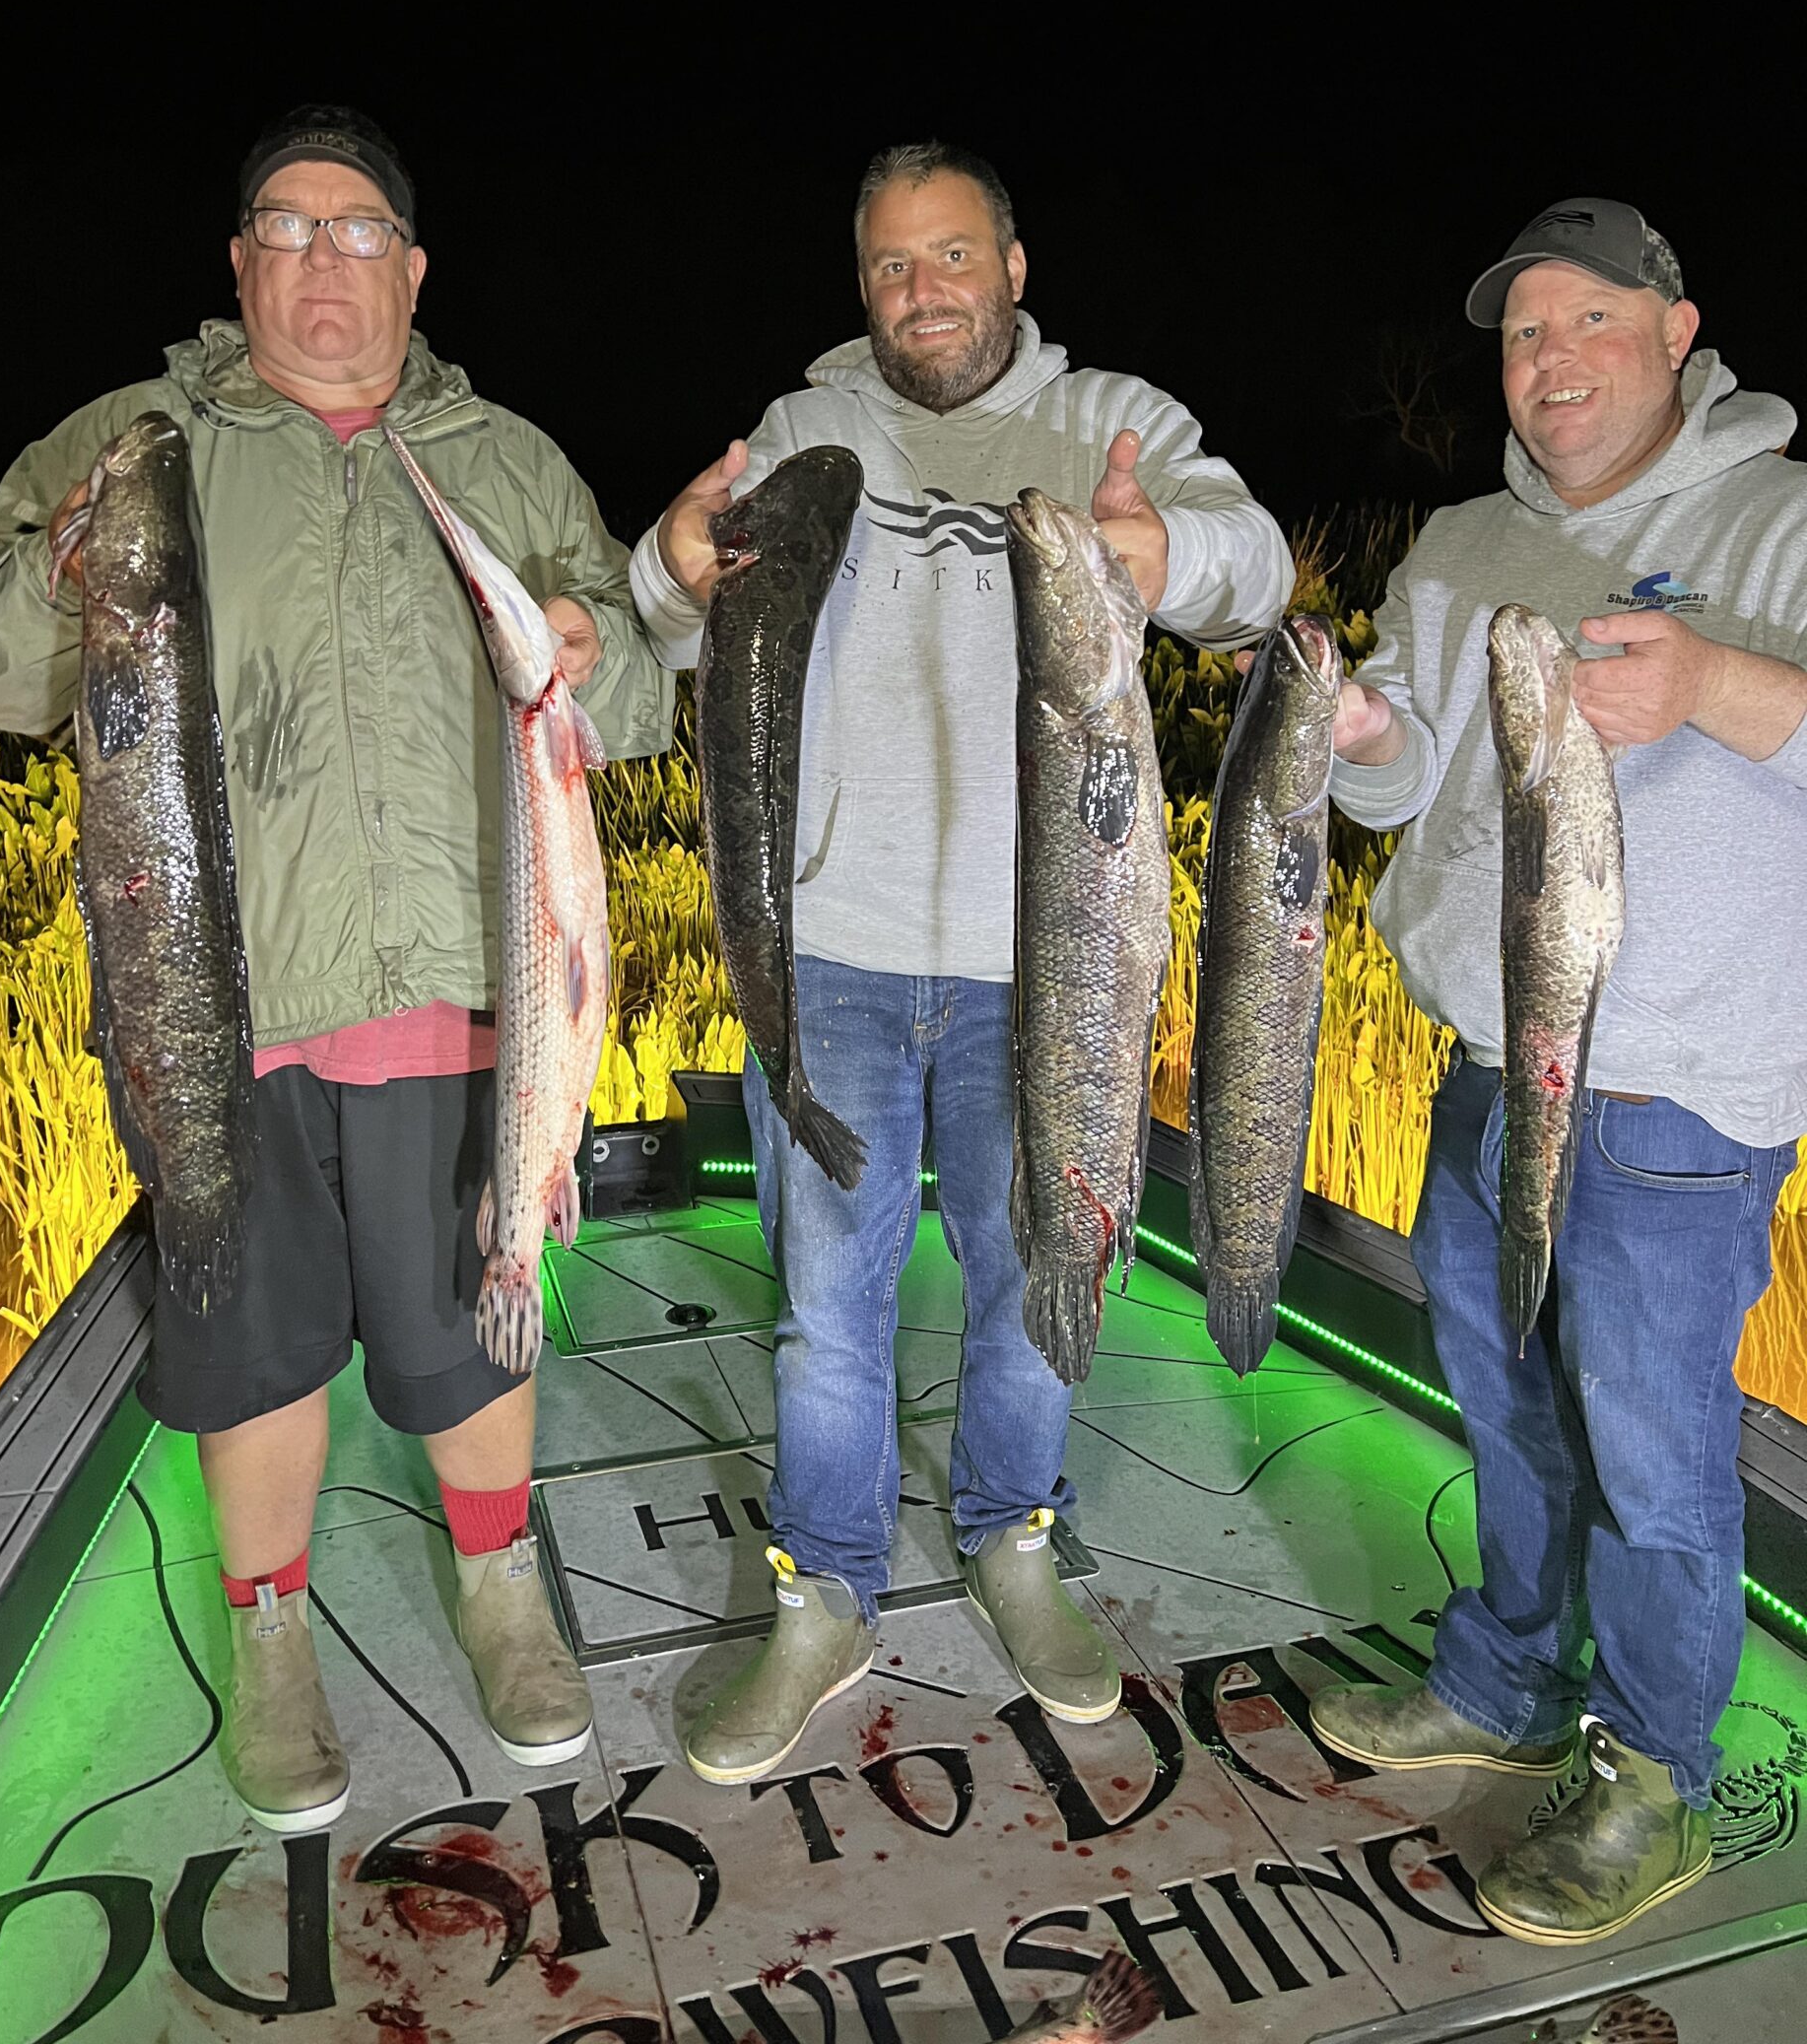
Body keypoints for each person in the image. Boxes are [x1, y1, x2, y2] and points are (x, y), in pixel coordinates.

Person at [0, 106, 674, 1834]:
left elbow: (631, 694)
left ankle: (500, 1585)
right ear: (239, 262)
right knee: (246, 1335)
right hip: (214, 999)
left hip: (462, 984)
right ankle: (269, 1642)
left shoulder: (507, 461)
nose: (324, 257)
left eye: (359, 230)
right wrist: (61, 571)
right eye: (287, 225)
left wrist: (597, 649)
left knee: (474, 1315)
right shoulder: (133, 439)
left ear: (413, 269)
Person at [633, 141, 1292, 1782]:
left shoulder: (1107, 419)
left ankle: (1013, 1536)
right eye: (888, 265)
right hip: (834, 955)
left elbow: (1255, 571)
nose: (919, 290)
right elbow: (679, 609)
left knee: (1039, 1279)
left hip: (1045, 969)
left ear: (1012, 265)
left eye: (949, 255)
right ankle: (826, 1592)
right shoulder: (808, 430)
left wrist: (1164, 556)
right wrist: (667, 563)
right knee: (826, 1314)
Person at [1305, 198, 1807, 1944]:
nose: (1552, 360)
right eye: (1525, 333)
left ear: (1678, 332)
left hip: (1674, 1091)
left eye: (1592, 320)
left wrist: (1717, 685)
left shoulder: (1780, 522)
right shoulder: (1459, 546)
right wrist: (1363, 733)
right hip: (1481, 1059)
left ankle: (1656, 1775)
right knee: (1505, 1401)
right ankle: (1505, 1679)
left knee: (1657, 1460)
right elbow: (1400, 781)